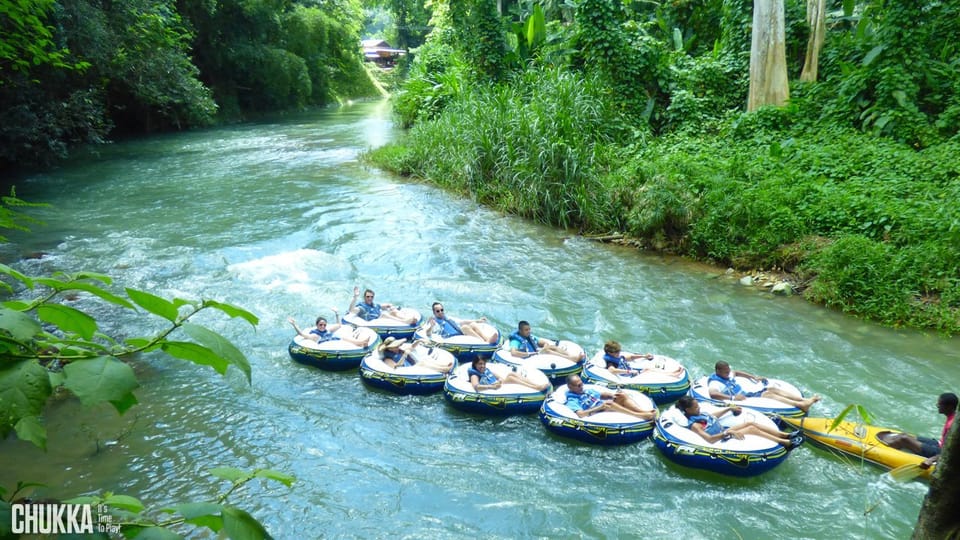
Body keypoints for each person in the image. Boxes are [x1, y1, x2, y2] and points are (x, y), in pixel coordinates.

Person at [675, 395, 801, 448]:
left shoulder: (699, 415)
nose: (699, 408)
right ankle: (785, 443)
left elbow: (711, 417)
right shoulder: (695, 425)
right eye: (696, 407)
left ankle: (785, 435)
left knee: (752, 423)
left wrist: (728, 408)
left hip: (724, 432)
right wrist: (727, 434)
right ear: (688, 410)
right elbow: (709, 439)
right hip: (721, 439)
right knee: (752, 429)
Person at [880, 392, 957, 469]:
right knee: (904, 435)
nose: (937, 406)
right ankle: (885, 443)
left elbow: (950, 451)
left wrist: (932, 459)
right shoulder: (954, 417)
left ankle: (883, 450)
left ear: (949, 407)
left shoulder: (951, 425)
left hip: (939, 452)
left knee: (904, 439)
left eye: (939, 404)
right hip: (939, 444)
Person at [707, 361, 821, 413]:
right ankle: (801, 405)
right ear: (718, 371)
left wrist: (753, 377)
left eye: (728, 371)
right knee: (768, 394)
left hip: (746, 393)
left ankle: (804, 400)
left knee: (772, 389)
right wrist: (732, 398)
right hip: (741, 398)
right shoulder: (715, 382)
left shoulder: (728, 373)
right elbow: (713, 394)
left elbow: (736, 372)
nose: (728, 373)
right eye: (725, 372)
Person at [563, 375, 655, 420]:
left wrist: (612, 395)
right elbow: (581, 414)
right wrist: (600, 407)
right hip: (596, 412)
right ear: (570, 387)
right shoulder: (572, 400)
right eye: (578, 385)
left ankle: (643, 412)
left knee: (622, 396)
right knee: (609, 404)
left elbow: (601, 395)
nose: (581, 386)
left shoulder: (586, 390)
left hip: (603, 407)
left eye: (581, 384)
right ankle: (640, 416)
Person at [508, 321, 586, 363]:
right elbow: (513, 353)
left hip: (536, 354)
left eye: (529, 329)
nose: (529, 331)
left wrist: (543, 349)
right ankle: (572, 359)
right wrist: (530, 354)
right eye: (526, 330)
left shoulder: (531, 337)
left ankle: (571, 355)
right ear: (520, 330)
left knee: (551, 347)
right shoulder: (515, 341)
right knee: (547, 351)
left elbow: (545, 343)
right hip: (529, 358)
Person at [423, 302, 499, 344]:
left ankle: (487, 339)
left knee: (472, 324)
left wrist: (477, 320)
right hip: (451, 338)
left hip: (459, 334)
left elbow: (461, 321)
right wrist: (431, 327)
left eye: (442, 310)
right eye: (438, 311)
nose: (441, 312)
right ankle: (484, 343)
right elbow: (428, 333)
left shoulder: (447, 318)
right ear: (434, 312)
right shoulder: (434, 322)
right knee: (465, 328)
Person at [287, 310, 371, 346]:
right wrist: (294, 324)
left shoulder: (327, 330)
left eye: (324, 325)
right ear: (317, 325)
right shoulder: (315, 335)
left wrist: (337, 313)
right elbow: (301, 334)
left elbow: (338, 325)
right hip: (329, 345)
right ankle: (361, 342)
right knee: (344, 339)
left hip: (336, 340)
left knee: (345, 337)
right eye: (321, 325)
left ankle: (361, 342)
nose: (323, 326)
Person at [601, 340, 683, 377]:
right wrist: (629, 371)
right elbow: (612, 370)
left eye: (619, 351)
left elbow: (630, 357)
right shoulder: (610, 362)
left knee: (648, 369)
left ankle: (671, 373)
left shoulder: (617, 356)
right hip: (629, 376)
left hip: (632, 372)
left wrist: (644, 356)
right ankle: (672, 375)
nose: (618, 353)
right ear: (609, 353)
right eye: (616, 352)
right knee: (648, 371)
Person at [468, 357, 549, 392]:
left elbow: (496, 376)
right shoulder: (474, 375)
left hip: (498, 385)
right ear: (475, 364)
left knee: (511, 374)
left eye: (484, 364)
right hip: (493, 389)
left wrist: (500, 380)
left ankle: (536, 385)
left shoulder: (485, 370)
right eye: (480, 364)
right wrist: (492, 386)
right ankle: (536, 388)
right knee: (511, 379)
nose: (482, 366)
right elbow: (476, 387)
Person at [347, 287, 418, 325]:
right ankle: (404, 321)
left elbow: (385, 305)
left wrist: (391, 306)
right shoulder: (362, 307)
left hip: (381, 320)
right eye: (368, 296)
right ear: (364, 297)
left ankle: (407, 318)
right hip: (374, 323)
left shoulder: (374, 305)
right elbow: (351, 310)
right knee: (384, 314)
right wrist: (355, 297)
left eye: (371, 297)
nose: (370, 298)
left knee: (393, 311)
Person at [379, 337, 453, 373]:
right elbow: (396, 368)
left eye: (397, 345)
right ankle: (444, 370)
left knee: (425, 360)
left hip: (412, 367)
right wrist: (404, 355)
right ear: (389, 349)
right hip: (406, 371)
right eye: (395, 346)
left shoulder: (399, 351)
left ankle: (444, 366)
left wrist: (419, 341)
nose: (398, 347)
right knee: (421, 363)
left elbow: (411, 347)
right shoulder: (387, 359)